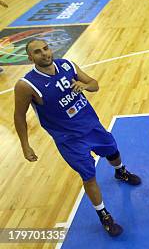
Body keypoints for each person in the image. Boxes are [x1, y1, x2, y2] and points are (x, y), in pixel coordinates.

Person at [13, 39, 141, 237]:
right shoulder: (26, 85)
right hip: (69, 139)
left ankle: (120, 172)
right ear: (30, 58)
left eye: (46, 48)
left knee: (113, 151)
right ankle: (104, 216)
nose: (45, 53)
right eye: (38, 52)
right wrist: (25, 145)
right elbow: (19, 116)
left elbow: (94, 84)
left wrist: (85, 85)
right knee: (89, 176)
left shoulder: (67, 65)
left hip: (91, 125)